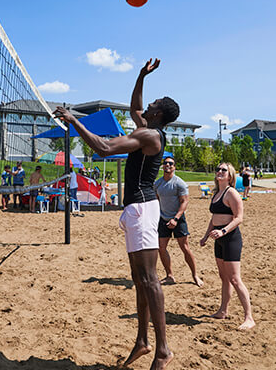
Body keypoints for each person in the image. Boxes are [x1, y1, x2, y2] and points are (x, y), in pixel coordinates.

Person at [54, 59, 177, 370]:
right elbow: (136, 106)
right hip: (137, 208)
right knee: (139, 279)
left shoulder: (150, 136)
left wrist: (73, 120)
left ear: (158, 113)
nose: (146, 104)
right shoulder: (146, 126)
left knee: (149, 279)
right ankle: (142, 342)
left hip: (142, 208)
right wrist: (140, 76)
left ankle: (162, 349)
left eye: (153, 103)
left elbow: (105, 148)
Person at [200, 162, 255, 331]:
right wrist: (205, 236)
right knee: (224, 278)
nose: (220, 172)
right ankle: (222, 311)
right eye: (218, 169)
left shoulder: (232, 193)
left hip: (230, 238)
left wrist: (223, 231)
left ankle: (249, 317)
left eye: (224, 170)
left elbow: (239, 218)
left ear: (230, 175)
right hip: (218, 238)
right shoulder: (216, 193)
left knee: (235, 279)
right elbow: (214, 217)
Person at [154, 156, 203, 287]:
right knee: (161, 248)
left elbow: (184, 202)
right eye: (165, 163)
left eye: (170, 163)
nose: (167, 165)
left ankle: (195, 275)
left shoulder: (179, 183)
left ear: (174, 167)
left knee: (185, 247)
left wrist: (175, 218)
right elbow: (156, 200)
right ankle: (169, 275)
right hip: (163, 219)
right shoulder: (158, 183)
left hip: (178, 219)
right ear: (163, 166)